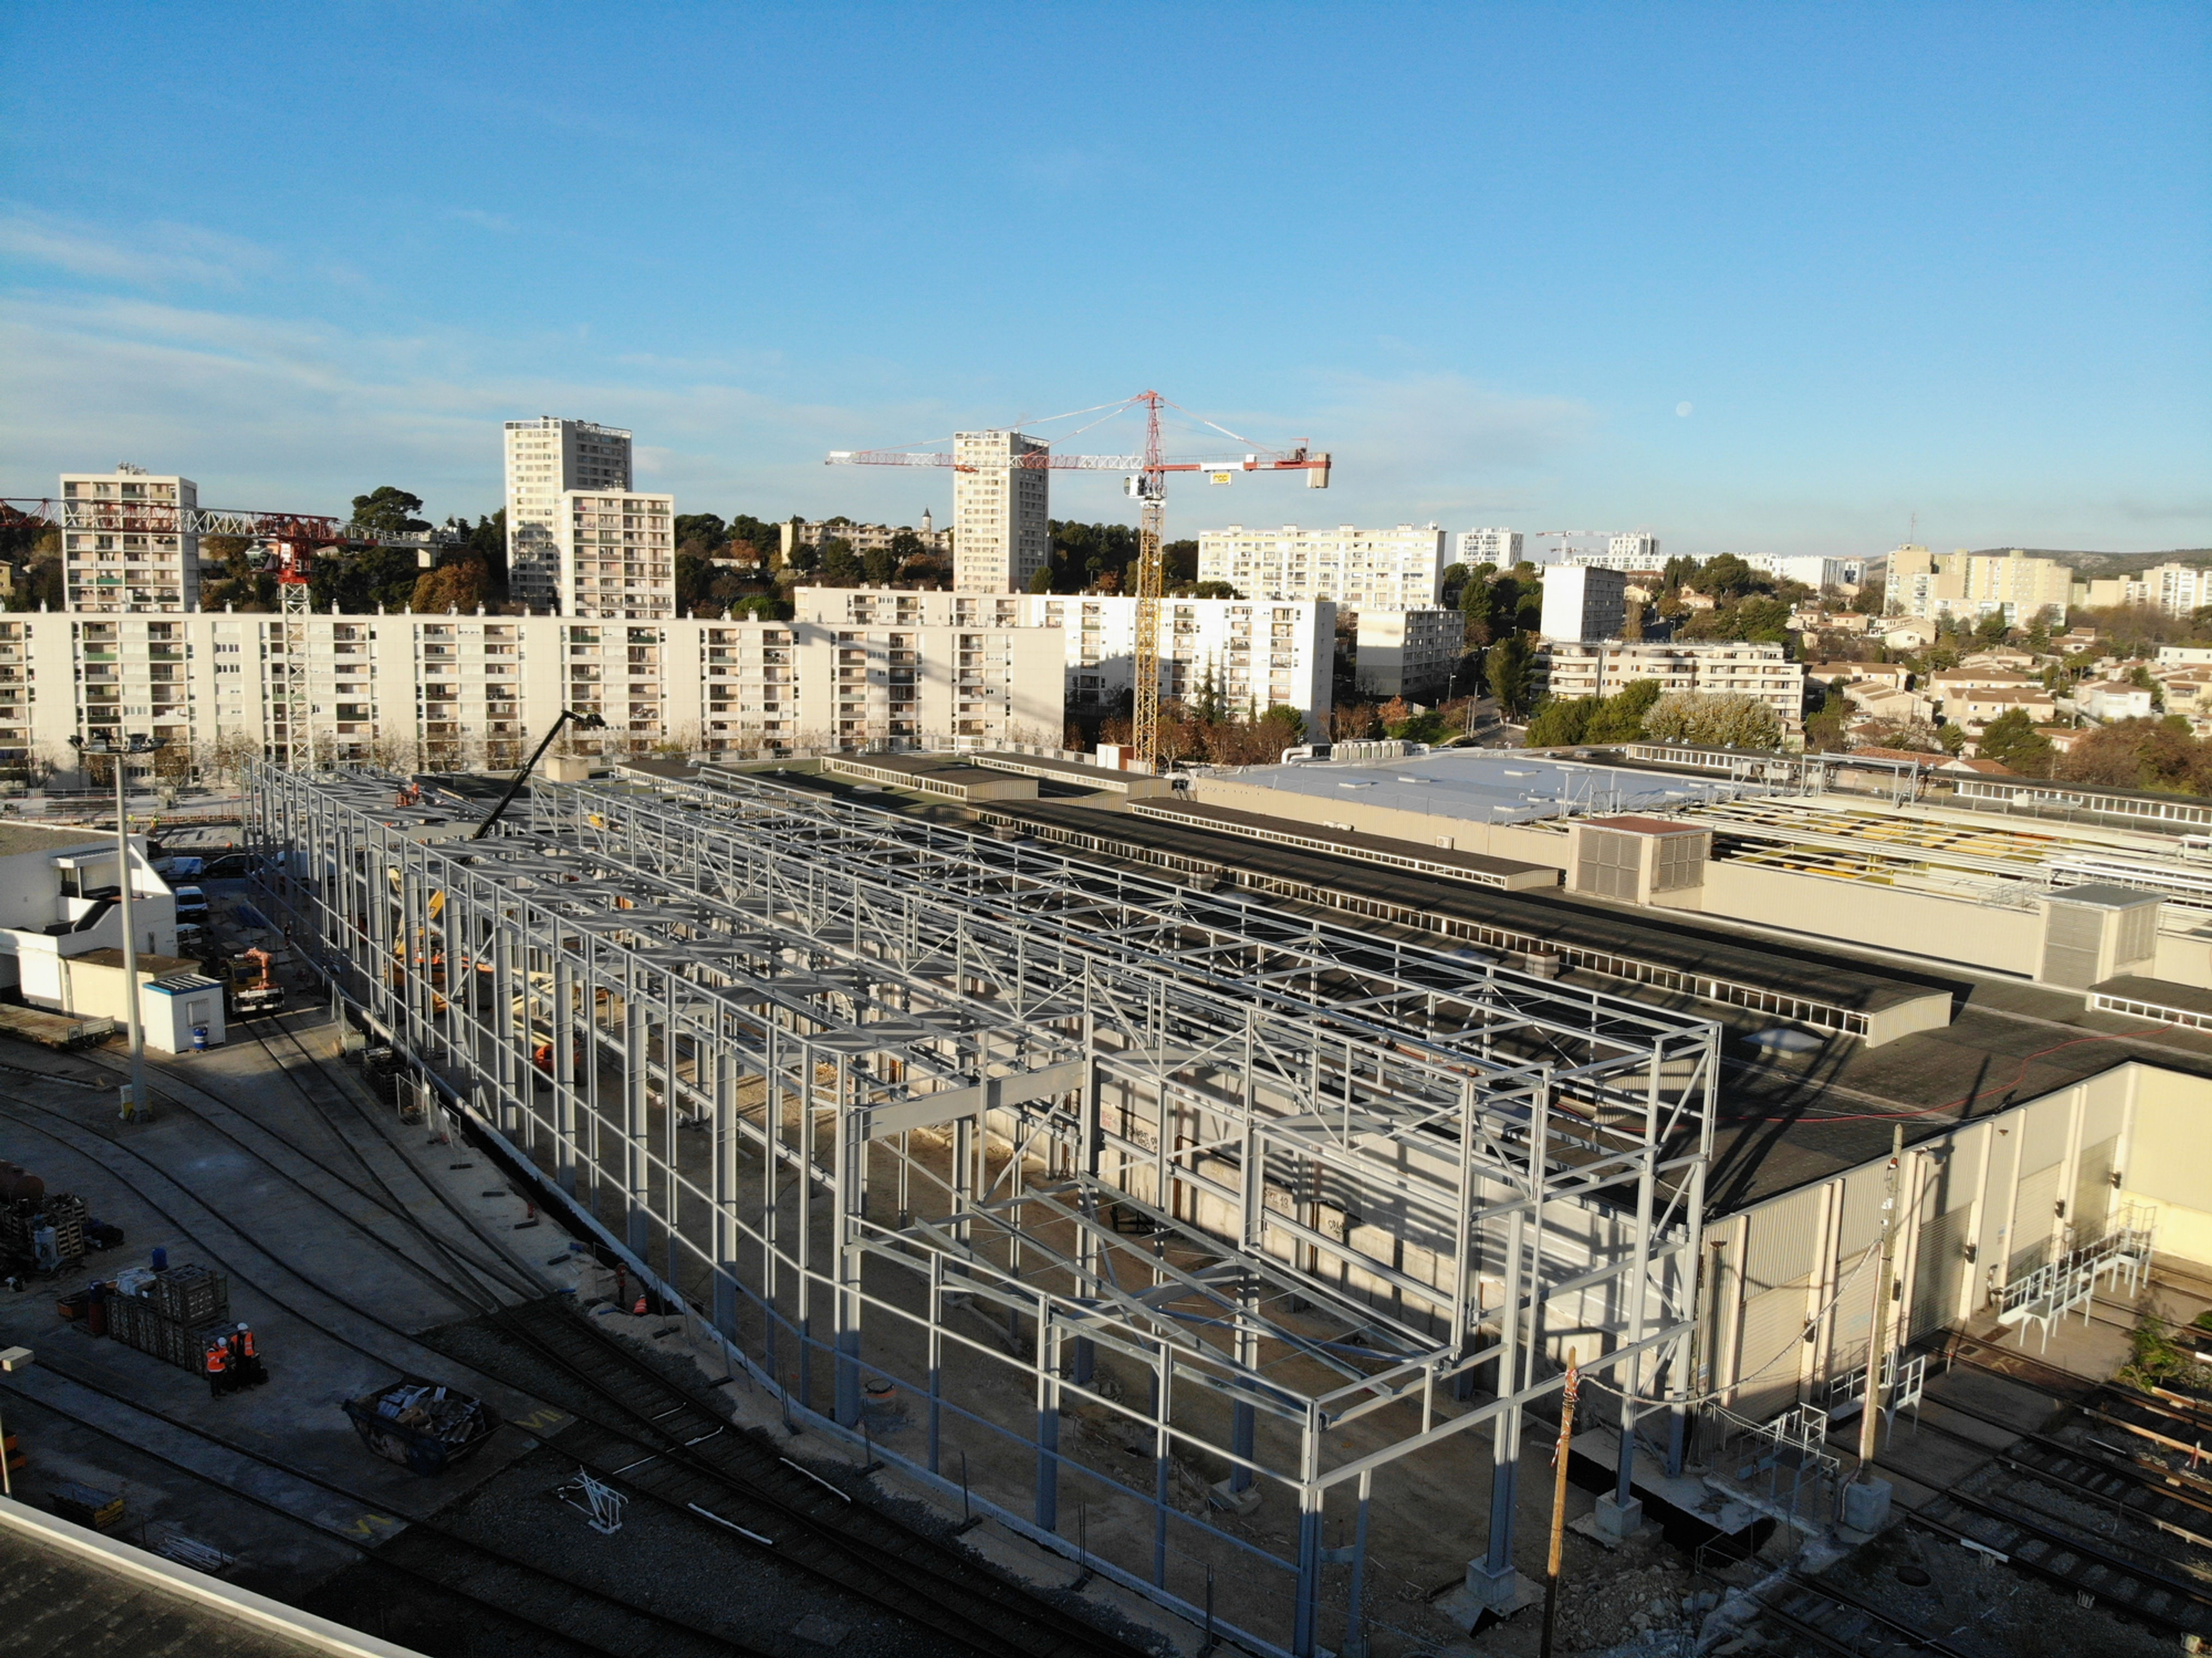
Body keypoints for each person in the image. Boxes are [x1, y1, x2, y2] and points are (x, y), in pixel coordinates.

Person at [204, 1333, 231, 1398]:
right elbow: (214, 1361)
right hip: (213, 1370)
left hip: (221, 1369)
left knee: (220, 1382)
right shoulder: (211, 1351)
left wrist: (228, 1356)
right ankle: (215, 1394)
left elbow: (226, 1352)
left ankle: (219, 1392)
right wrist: (223, 1360)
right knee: (214, 1383)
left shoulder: (223, 1347)